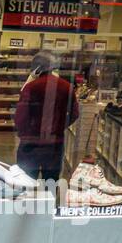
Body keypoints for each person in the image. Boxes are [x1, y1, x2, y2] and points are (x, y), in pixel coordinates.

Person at [13, 52, 79, 183]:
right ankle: (49, 203)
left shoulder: (30, 87)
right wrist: (60, 127)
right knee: (51, 183)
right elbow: (75, 113)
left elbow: (20, 116)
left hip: (31, 142)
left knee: (26, 183)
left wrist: (23, 133)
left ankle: (29, 204)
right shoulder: (66, 87)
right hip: (54, 143)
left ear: (36, 68)